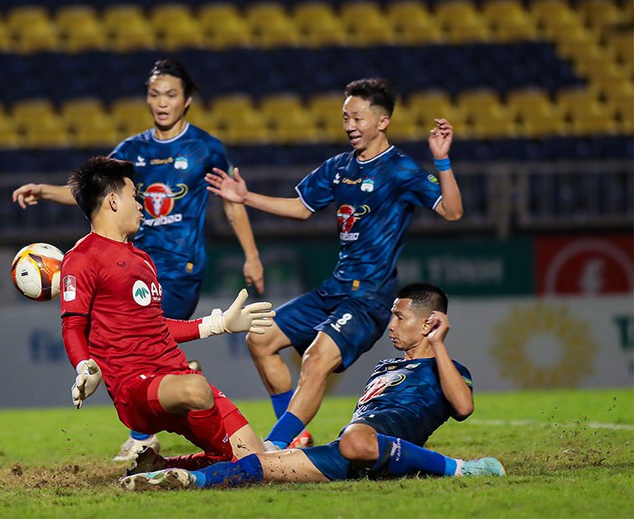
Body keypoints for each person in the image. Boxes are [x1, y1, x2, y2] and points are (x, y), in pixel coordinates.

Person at [12, 58, 265, 460]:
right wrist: (44, 190)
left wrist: (251, 256)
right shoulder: (131, 152)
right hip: (130, 261)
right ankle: (152, 418)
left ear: (187, 101)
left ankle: (151, 425)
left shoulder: (207, 148)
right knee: (132, 337)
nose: (161, 102)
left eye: (170, 94)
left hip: (178, 268)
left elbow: (233, 204)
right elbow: (93, 191)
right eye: (154, 94)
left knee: (145, 334)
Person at [204, 78, 464, 450]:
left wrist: (441, 160)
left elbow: (453, 211)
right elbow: (300, 209)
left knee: (314, 360)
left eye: (357, 117)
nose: (349, 125)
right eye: (345, 117)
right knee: (259, 339)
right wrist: (245, 197)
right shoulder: (339, 167)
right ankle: (298, 435)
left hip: (369, 298)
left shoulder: (400, 170)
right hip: (333, 290)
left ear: (382, 121)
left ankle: (273, 448)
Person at [120, 282, 505, 491]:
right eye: (390, 316)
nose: (390, 325)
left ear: (427, 323)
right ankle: (176, 474)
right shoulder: (385, 366)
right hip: (348, 452)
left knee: (355, 439)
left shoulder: (447, 367)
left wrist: (438, 344)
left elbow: (464, 407)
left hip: (366, 443)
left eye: (399, 317)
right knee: (255, 465)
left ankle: (463, 470)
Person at [61, 156, 275, 471]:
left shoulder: (142, 259)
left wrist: (219, 324)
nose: (141, 205)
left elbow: (156, 326)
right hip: (135, 387)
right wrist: (84, 368)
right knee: (198, 390)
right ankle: (222, 463)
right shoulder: (81, 258)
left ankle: (160, 466)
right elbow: (72, 326)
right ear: (113, 201)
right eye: (135, 196)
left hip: (174, 374)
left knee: (259, 462)